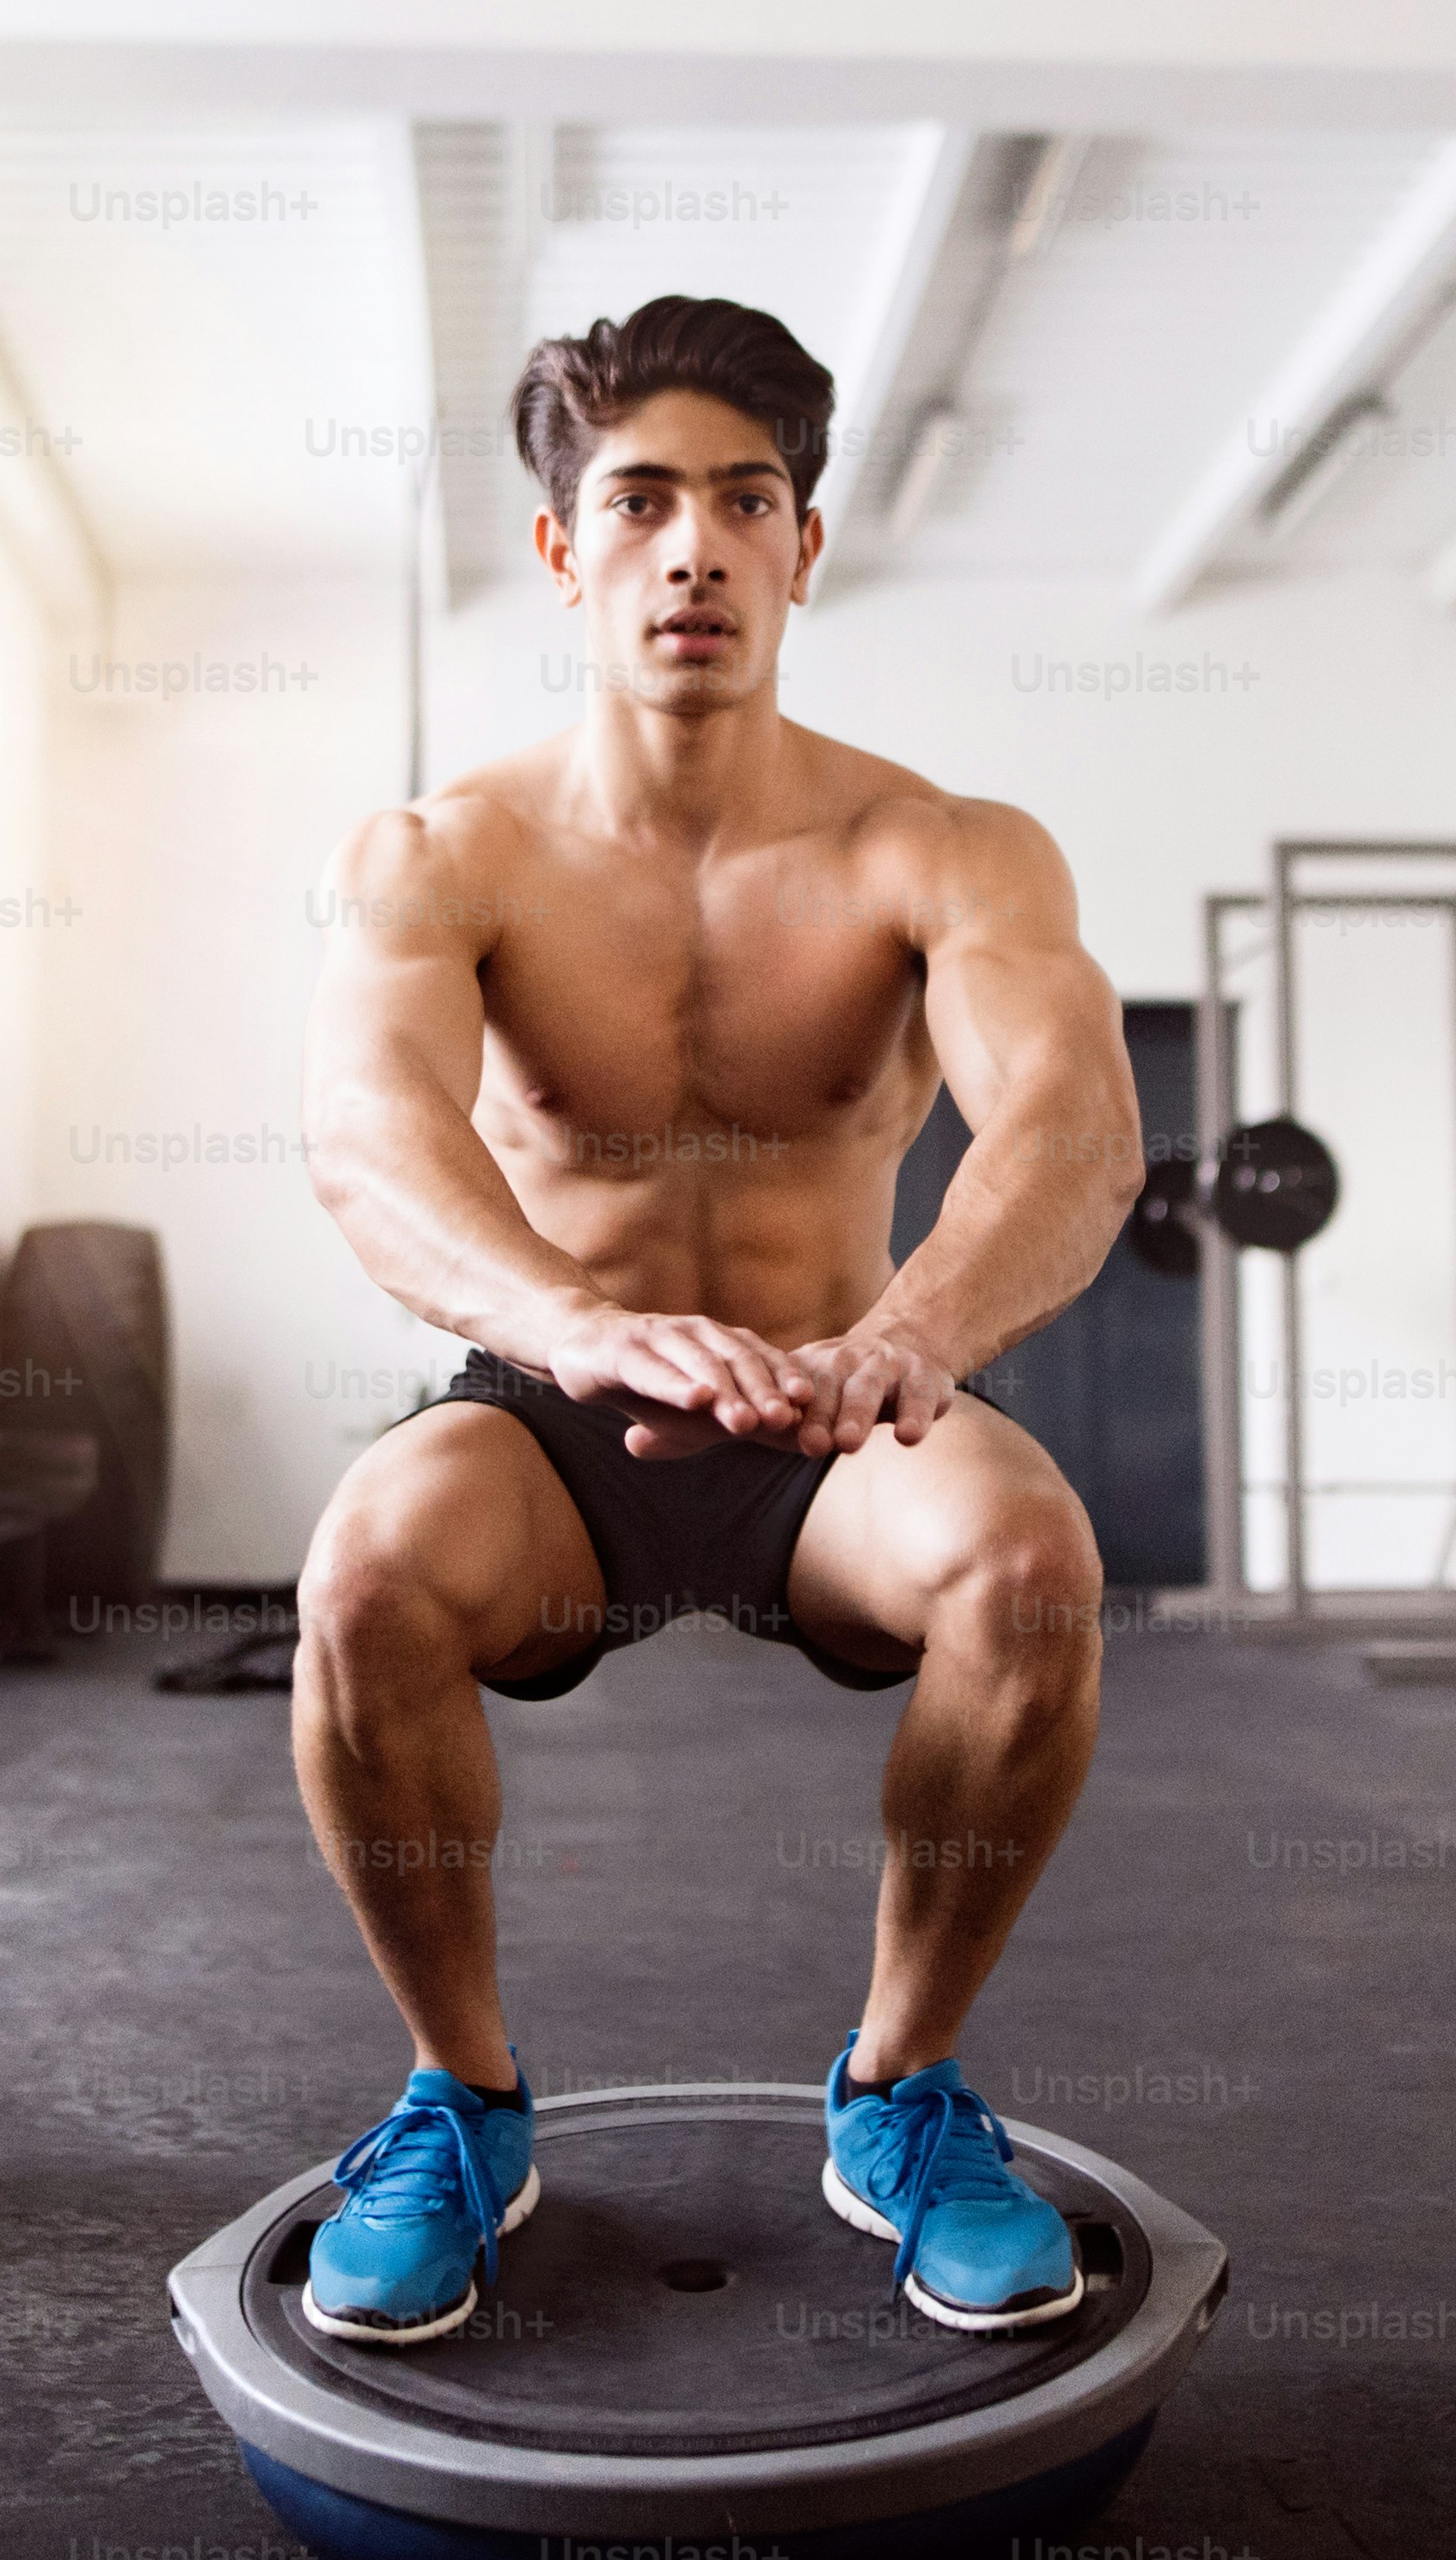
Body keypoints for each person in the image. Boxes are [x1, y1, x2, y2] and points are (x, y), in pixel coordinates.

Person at [291, 294, 1144, 2346]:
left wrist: (912, 1329)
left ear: (802, 546)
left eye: (744, 500)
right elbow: (367, 1136)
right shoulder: (442, 854)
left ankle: (898, 2090)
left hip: (844, 1413)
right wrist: (574, 1322)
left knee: (1028, 1562)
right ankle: (461, 2100)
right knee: (367, 1568)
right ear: (559, 547)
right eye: (640, 499)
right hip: (555, 1410)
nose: (694, 545)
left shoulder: (941, 847)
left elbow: (1074, 1124)